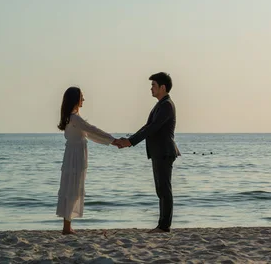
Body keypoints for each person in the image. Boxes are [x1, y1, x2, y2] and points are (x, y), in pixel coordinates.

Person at [115, 72, 180, 233]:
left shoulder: (166, 105)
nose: (151, 88)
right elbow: (147, 126)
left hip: (164, 151)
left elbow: (152, 128)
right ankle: (162, 225)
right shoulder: (160, 104)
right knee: (161, 189)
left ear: (162, 87)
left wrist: (130, 142)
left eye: (153, 85)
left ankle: (164, 226)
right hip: (159, 152)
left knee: (164, 189)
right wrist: (130, 140)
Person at [56, 86, 119, 235]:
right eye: (81, 97)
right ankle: (66, 227)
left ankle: (67, 225)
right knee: (73, 189)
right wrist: (114, 140)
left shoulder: (71, 118)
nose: (83, 99)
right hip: (75, 158)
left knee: (72, 188)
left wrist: (111, 141)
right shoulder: (75, 118)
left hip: (73, 156)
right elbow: (92, 129)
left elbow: (90, 134)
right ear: (75, 100)